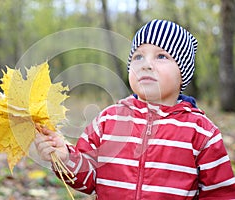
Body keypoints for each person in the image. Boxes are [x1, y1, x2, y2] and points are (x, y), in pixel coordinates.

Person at [34, 19, 235, 199]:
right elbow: (89, 178)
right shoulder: (108, 121)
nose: (146, 65)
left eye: (162, 56)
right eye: (138, 57)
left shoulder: (200, 131)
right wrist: (65, 158)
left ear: (183, 72)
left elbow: (220, 193)